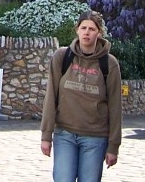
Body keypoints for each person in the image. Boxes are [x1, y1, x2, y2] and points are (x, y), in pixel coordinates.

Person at [40, 10, 122, 182]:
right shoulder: (62, 57)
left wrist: (113, 146)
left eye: (92, 29)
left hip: (95, 137)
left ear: (99, 33)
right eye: (83, 28)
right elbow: (50, 97)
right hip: (65, 134)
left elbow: (115, 106)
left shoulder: (109, 63)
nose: (87, 32)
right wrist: (46, 135)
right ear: (77, 29)